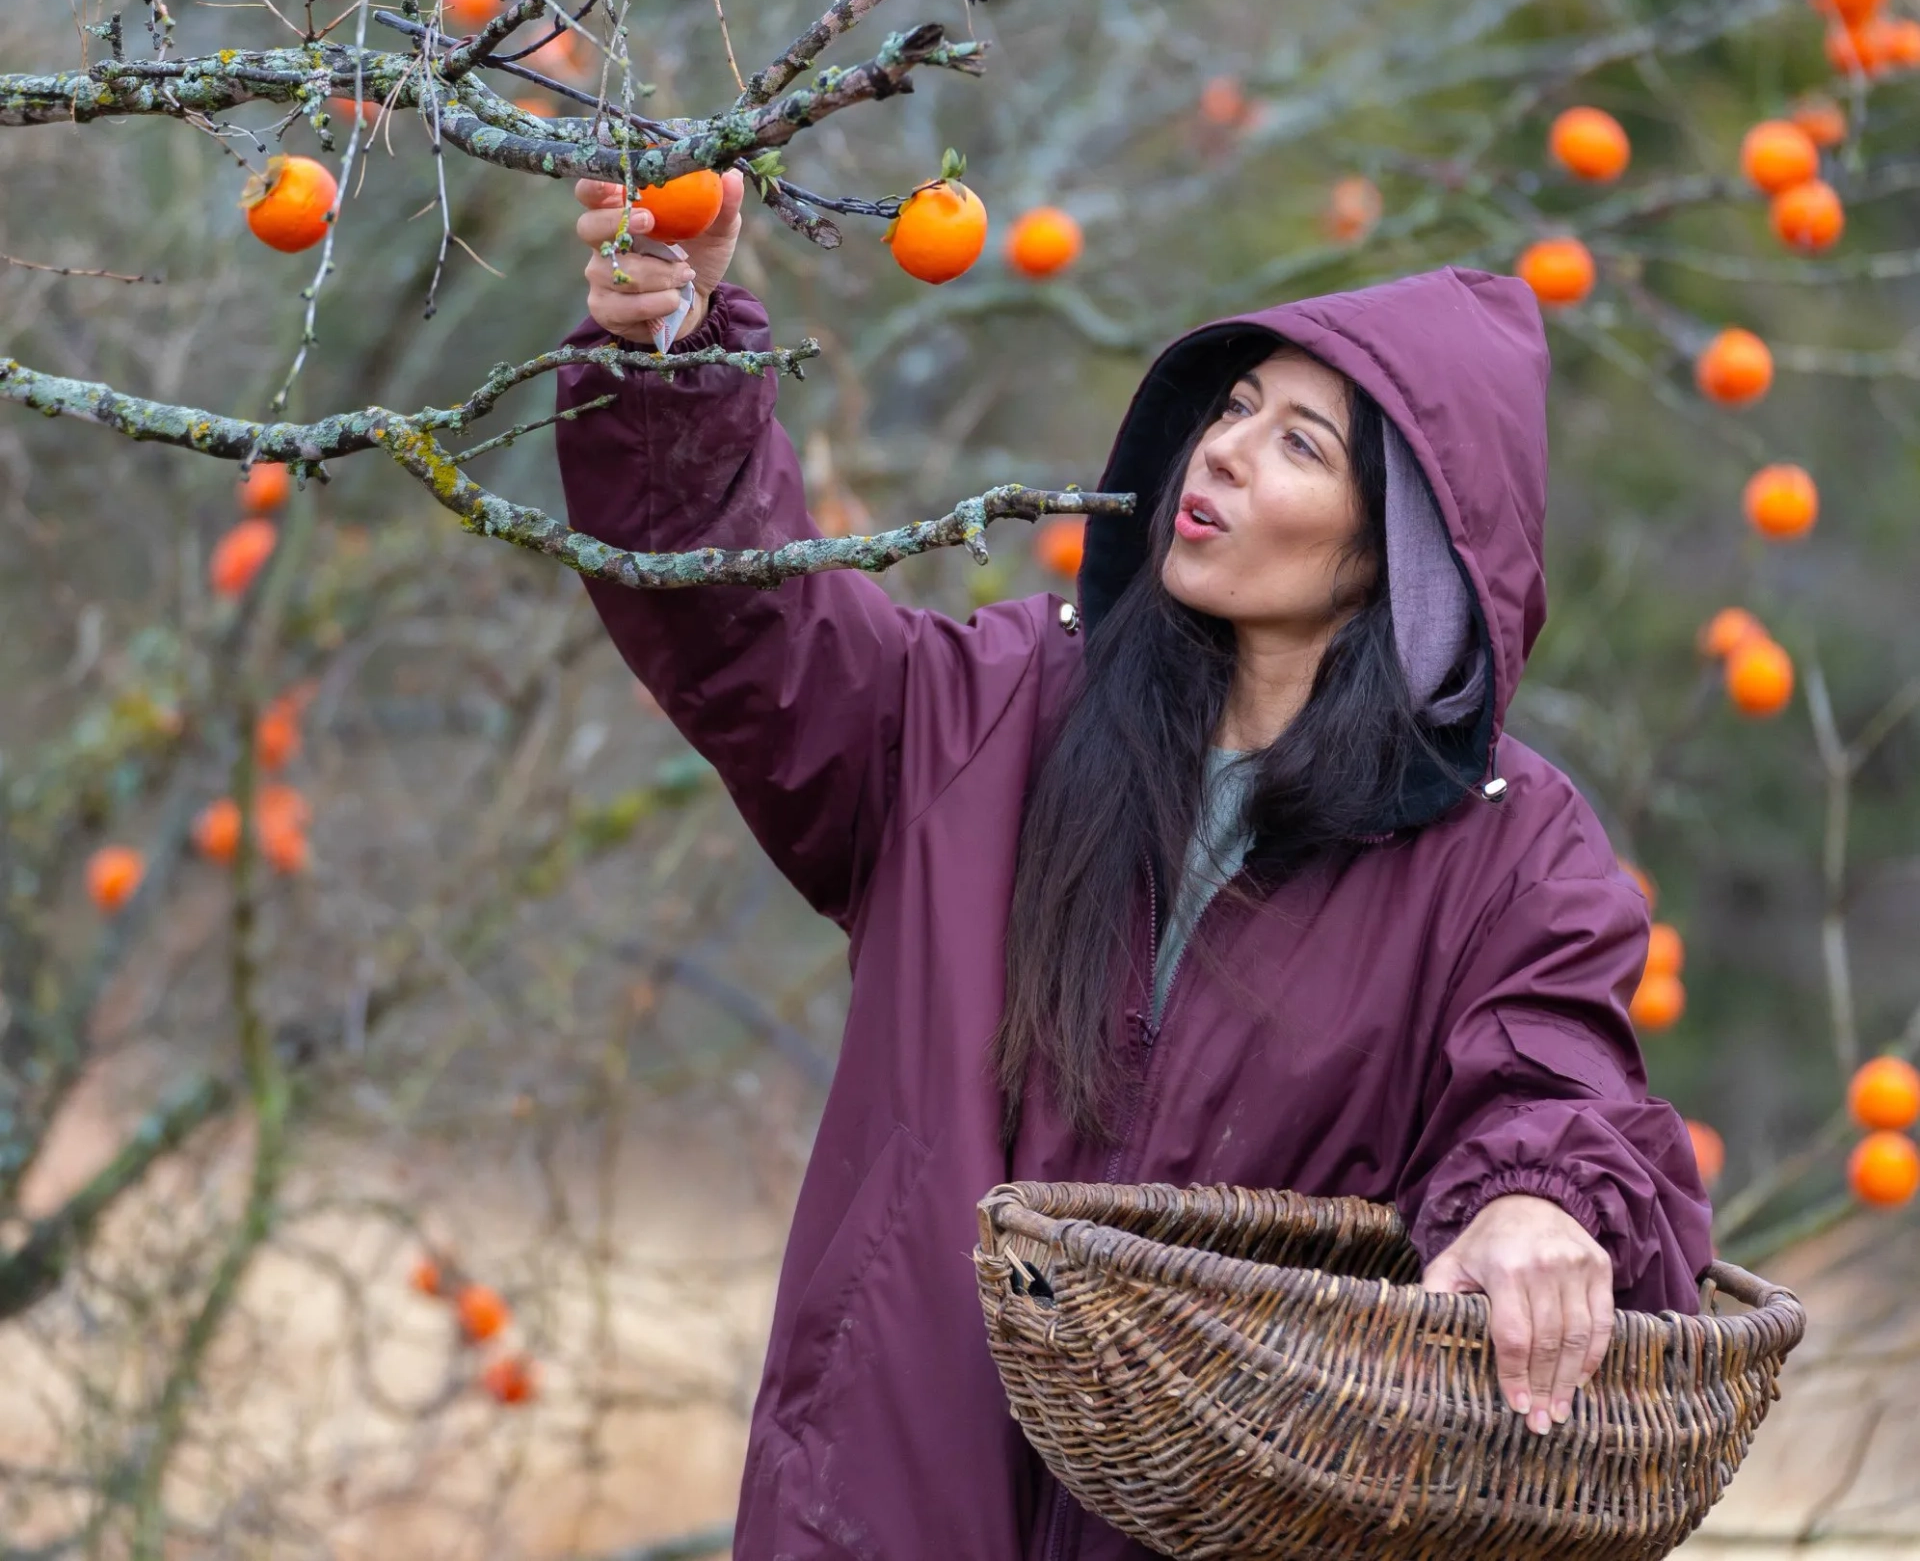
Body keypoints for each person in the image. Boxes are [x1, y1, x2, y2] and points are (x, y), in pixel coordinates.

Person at [554, 171, 1713, 1561]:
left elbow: (1556, 1083)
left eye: (1299, 445)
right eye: (1229, 411)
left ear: (1396, 553)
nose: (1220, 454)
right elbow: (749, 631)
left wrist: (1538, 1199)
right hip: (884, 1514)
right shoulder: (992, 714)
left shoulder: (1509, 851)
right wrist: (676, 365)